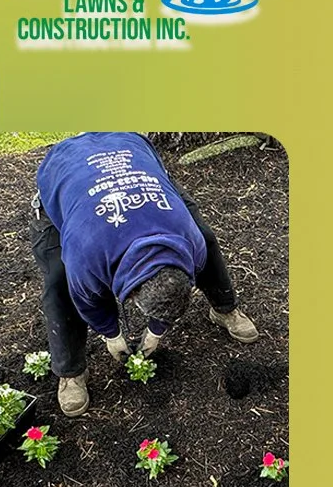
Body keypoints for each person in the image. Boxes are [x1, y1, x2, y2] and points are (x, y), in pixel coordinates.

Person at [30, 132, 258, 416]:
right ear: (133, 292)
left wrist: (156, 332)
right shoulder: (87, 253)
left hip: (131, 154)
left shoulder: (192, 244)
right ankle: (71, 372)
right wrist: (111, 334)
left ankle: (225, 309)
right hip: (65, 173)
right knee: (59, 283)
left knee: (207, 236)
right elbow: (87, 300)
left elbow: (171, 294)